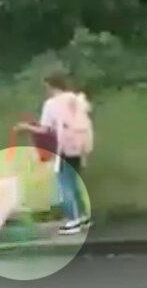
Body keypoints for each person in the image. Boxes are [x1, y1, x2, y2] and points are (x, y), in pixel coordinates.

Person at [17, 74, 93, 235]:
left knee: (64, 183)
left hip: (65, 147)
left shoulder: (51, 104)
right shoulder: (76, 99)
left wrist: (26, 127)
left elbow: (45, 129)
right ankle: (83, 217)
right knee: (73, 181)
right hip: (80, 145)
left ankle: (73, 220)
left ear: (50, 86)